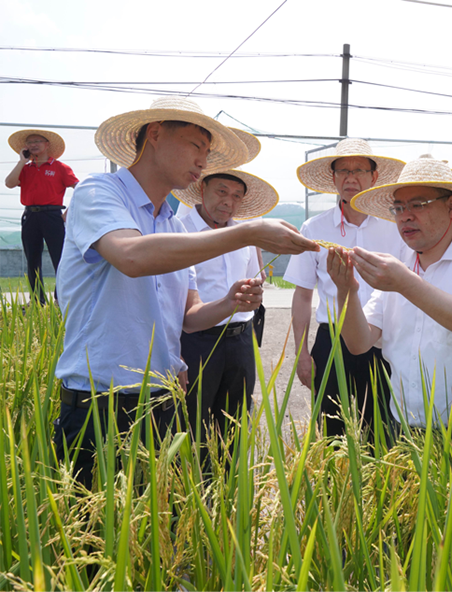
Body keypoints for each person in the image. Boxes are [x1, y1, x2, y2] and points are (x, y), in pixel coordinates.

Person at [53, 97, 318, 488]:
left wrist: (230, 302)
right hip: (100, 403)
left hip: (160, 404)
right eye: (197, 146)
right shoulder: (99, 193)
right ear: (156, 134)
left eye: (207, 153)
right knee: (96, 536)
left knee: (155, 536)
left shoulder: (174, 229)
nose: (202, 161)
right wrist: (246, 231)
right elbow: (130, 256)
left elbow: (189, 317)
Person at [326, 155, 452, 459]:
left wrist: (405, 283)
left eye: (418, 205)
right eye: (399, 208)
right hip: (404, 429)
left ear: (451, 206)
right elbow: (359, 343)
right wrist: (346, 290)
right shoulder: (396, 272)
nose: (405, 216)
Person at [284, 139, 405, 441]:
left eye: (360, 170)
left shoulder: (396, 227)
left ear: (374, 177)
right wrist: (302, 354)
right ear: (333, 178)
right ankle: (331, 487)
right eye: (343, 171)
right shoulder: (314, 228)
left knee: (382, 430)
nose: (351, 178)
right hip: (332, 339)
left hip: (381, 340)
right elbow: (302, 294)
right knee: (330, 430)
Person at [174, 168, 278, 466]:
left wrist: (253, 297)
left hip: (240, 341)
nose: (228, 202)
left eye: (236, 196)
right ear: (202, 187)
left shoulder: (246, 235)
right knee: (189, 424)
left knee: (234, 426)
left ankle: (229, 497)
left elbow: (253, 282)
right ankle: (187, 502)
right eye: (221, 191)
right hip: (194, 341)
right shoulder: (178, 231)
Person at [5, 129, 79, 303]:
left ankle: (61, 298)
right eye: (30, 143)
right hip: (30, 216)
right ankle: (37, 299)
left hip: (53, 216)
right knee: (32, 258)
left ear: (47, 145)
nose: (33, 145)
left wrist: (70, 211)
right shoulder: (25, 168)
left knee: (59, 258)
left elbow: (79, 188)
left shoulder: (60, 167)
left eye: (37, 141)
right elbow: (9, 183)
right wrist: (21, 162)